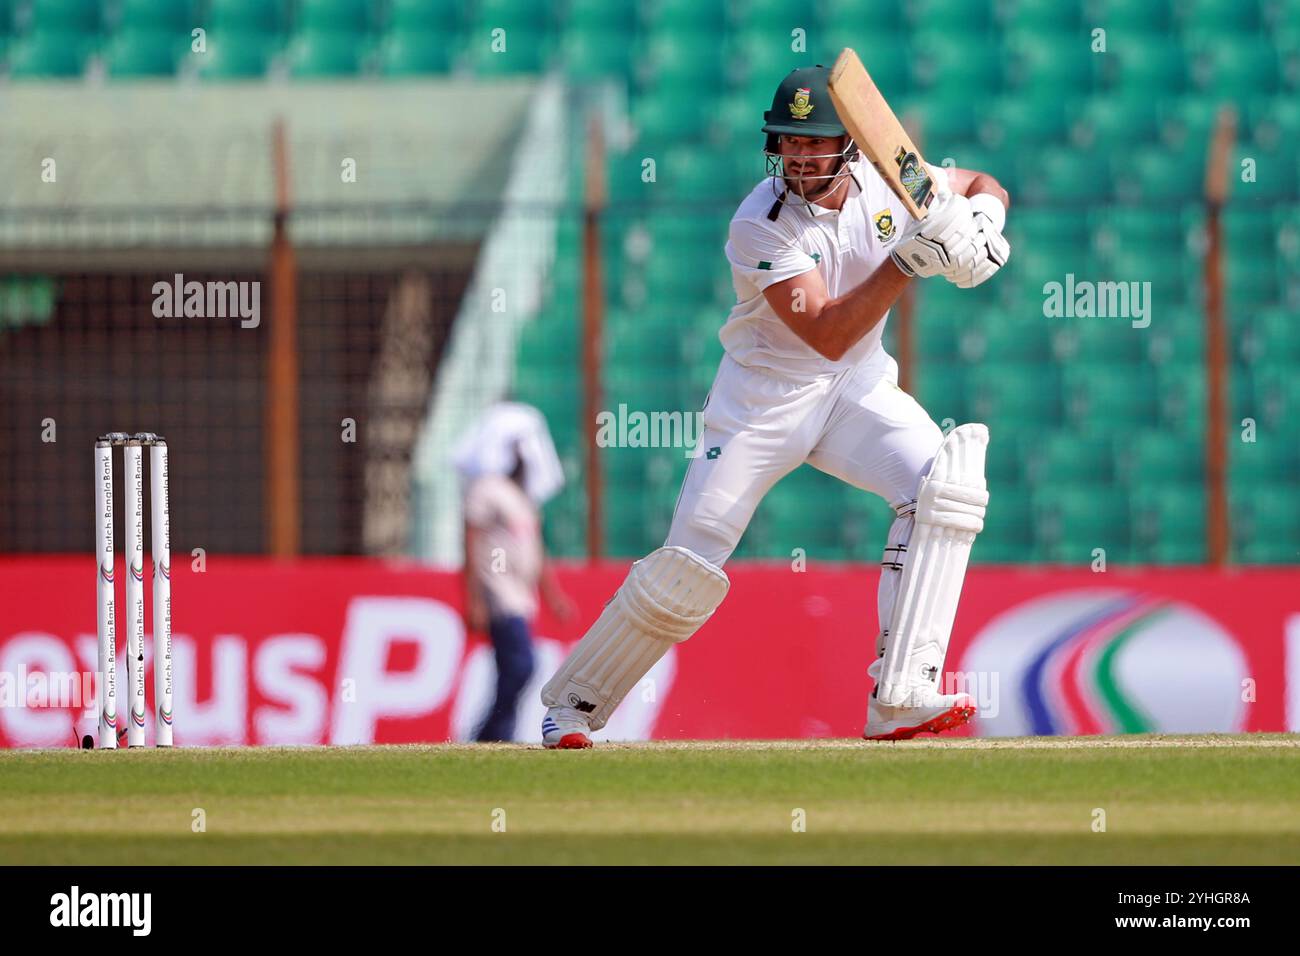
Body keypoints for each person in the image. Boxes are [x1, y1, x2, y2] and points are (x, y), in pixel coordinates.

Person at [539, 64, 1011, 748]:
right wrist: (909, 262)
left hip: (856, 388)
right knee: (689, 565)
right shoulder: (759, 225)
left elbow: (975, 183)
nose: (796, 156)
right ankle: (572, 705)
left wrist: (982, 224)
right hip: (763, 401)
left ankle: (901, 693)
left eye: (811, 142)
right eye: (786, 142)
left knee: (944, 486)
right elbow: (826, 332)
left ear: (847, 146)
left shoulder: (889, 180)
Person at [460, 426, 575, 742]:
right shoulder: (486, 489)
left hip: (522, 594)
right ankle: (489, 732)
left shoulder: (521, 497)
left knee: (511, 667)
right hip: (498, 591)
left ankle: (497, 733)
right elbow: (470, 541)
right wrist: (474, 599)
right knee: (523, 664)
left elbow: (536, 550)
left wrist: (553, 596)